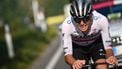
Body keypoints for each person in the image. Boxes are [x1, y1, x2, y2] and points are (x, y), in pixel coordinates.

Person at [61, 0, 117, 69]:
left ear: (91, 16)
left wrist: (110, 57)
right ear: (73, 18)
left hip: (96, 44)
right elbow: (67, 56)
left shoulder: (101, 20)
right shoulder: (67, 25)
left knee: (102, 66)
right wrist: (74, 62)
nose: (82, 23)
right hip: (78, 47)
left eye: (85, 18)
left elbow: (108, 48)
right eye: (77, 20)